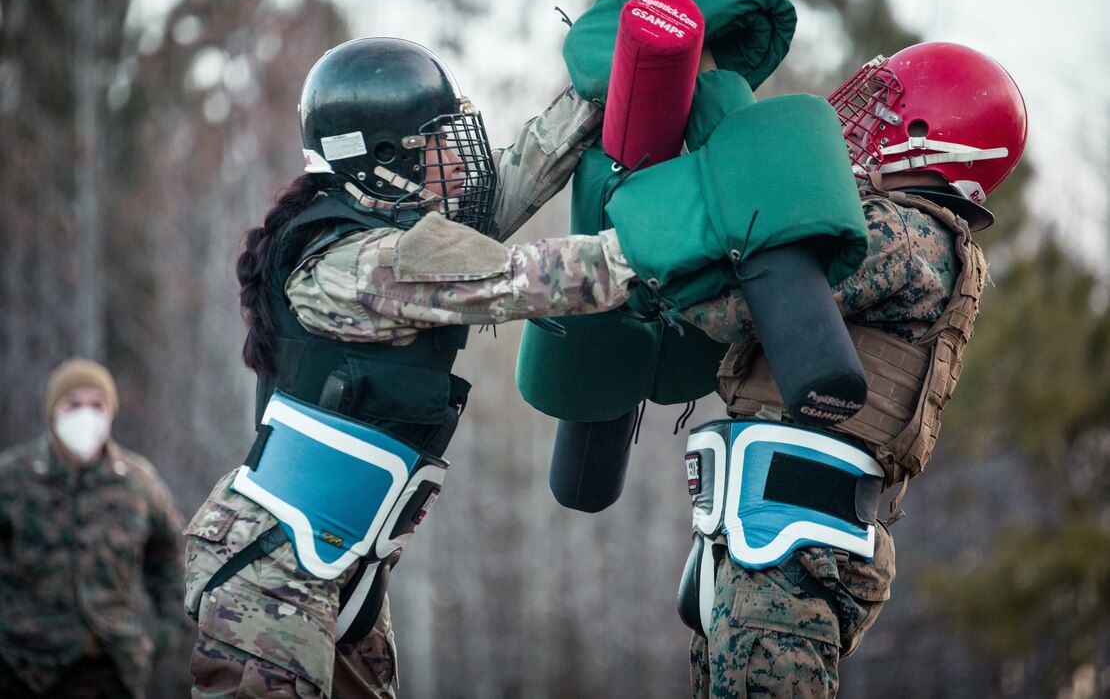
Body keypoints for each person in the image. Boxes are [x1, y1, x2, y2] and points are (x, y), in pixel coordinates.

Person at [182, 36, 638, 698]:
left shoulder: (390, 228)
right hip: (271, 572)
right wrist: (677, 237)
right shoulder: (355, 264)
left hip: (346, 564)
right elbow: (521, 277)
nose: (456, 160)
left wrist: (614, 75)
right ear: (382, 162)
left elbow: (512, 179)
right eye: (436, 147)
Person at [677, 41, 1028, 697]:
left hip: (789, 548)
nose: (856, 131)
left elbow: (737, 305)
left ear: (924, 135)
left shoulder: (901, 234)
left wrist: (655, 238)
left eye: (882, 115)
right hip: (776, 541)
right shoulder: (920, 237)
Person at [0, 358, 186, 699]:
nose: (85, 415)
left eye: (96, 405)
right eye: (74, 404)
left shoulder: (137, 482)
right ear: (54, 410)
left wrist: (163, 633)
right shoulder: (13, 478)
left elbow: (171, 557)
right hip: (24, 668)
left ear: (110, 412)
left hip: (114, 669)